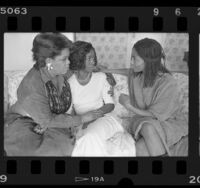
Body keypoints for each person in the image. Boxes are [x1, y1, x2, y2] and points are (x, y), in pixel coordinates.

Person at [4, 33, 102, 156]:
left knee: (64, 144)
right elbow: (48, 120)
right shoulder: (32, 86)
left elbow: (77, 65)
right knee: (48, 151)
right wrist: (82, 118)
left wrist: (95, 68)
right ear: (49, 61)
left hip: (48, 121)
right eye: (64, 59)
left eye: (68, 57)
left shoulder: (59, 69)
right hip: (23, 121)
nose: (68, 62)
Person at [97, 38, 188, 156]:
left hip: (168, 122)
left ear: (148, 61)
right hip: (142, 120)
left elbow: (156, 115)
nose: (131, 62)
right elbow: (127, 71)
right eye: (131, 58)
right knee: (147, 126)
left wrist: (129, 106)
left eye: (135, 58)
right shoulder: (137, 75)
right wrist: (106, 70)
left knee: (141, 148)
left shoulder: (167, 82)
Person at [67, 41, 136, 157]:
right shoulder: (69, 83)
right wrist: (78, 122)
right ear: (79, 61)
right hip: (82, 122)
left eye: (94, 57)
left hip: (105, 119)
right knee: (83, 139)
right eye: (89, 58)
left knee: (90, 136)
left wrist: (92, 116)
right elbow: (70, 110)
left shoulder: (101, 77)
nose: (93, 61)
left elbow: (110, 105)